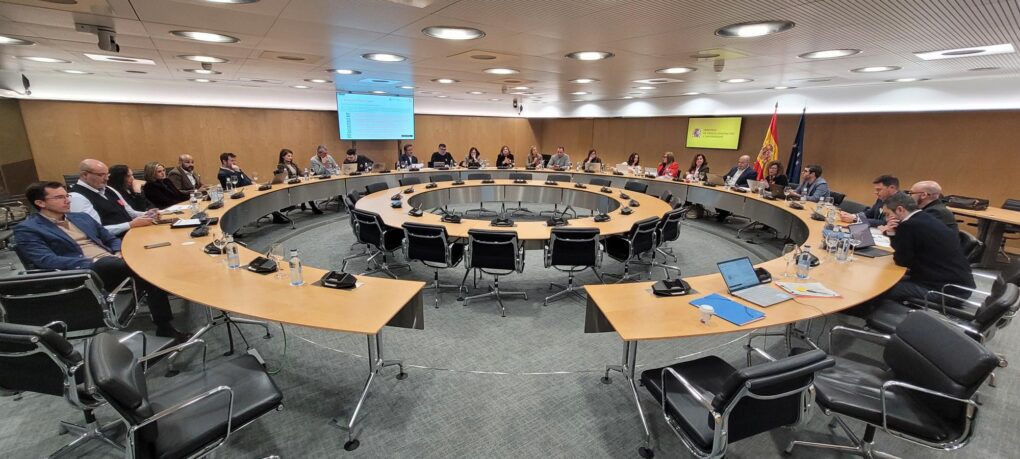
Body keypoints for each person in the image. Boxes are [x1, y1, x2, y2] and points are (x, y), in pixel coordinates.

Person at [15, 181, 190, 341]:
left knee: (148, 265)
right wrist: (95, 261)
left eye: (67, 195)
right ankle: (169, 314)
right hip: (84, 273)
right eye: (59, 197)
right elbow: (46, 260)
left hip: (113, 263)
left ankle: (164, 324)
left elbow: (109, 238)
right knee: (143, 267)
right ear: (40, 203)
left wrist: (118, 251)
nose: (67, 200)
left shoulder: (81, 217)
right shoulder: (28, 229)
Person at [875, 191, 974, 302]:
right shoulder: (925, 217)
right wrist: (893, 233)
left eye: (887, 214)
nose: (887, 219)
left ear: (900, 210)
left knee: (880, 289)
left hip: (944, 291)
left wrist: (892, 233)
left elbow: (902, 261)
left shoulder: (908, 226)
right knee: (891, 279)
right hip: (959, 285)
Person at [70, 159, 155, 237]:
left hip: (131, 232)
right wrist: (130, 225)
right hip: (113, 240)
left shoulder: (109, 189)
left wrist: (148, 214)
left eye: (107, 174)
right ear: (85, 175)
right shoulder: (76, 197)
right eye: (101, 175)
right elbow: (95, 230)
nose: (106, 178)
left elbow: (130, 212)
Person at [279, 149, 322, 214]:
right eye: (288, 156)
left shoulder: (293, 165)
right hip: (289, 186)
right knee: (306, 190)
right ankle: (313, 207)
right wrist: (297, 178)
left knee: (307, 188)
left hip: (296, 183)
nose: (290, 157)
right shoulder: (281, 166)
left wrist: (307, 173)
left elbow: (300, 173)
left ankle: (305, 204)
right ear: (283, 156)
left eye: (291, 156)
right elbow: (284, 177)